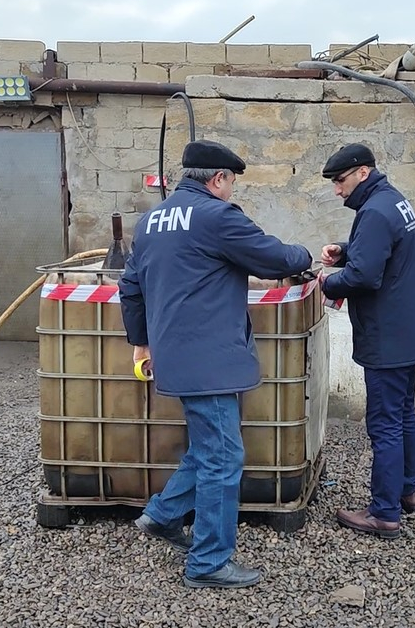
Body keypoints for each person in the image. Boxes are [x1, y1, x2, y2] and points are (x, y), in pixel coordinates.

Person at [118, 139, 312, 588]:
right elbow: (273, 257)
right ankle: (208, 563)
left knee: (208, 447)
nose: (231, 190)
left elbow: (131, 288)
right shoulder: (217, 216)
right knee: (224, 456)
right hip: (211, 361)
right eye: (231, 182)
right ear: (218, 179)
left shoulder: (151, 221)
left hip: (176, 358)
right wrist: (307, 256)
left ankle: (163, 515)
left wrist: (142, 344)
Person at [317, 143, 415, 540]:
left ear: (362, 172)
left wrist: (325, 283)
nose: (337, 190)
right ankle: (408, 491)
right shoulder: (392, 200)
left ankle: (383, 513)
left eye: (340, 181)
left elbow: (365, 276)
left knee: (384, 423)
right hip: (408, 330)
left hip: (387, 336)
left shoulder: (374, 211)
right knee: (403, 414)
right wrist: (346, 250)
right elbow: (383, 248)